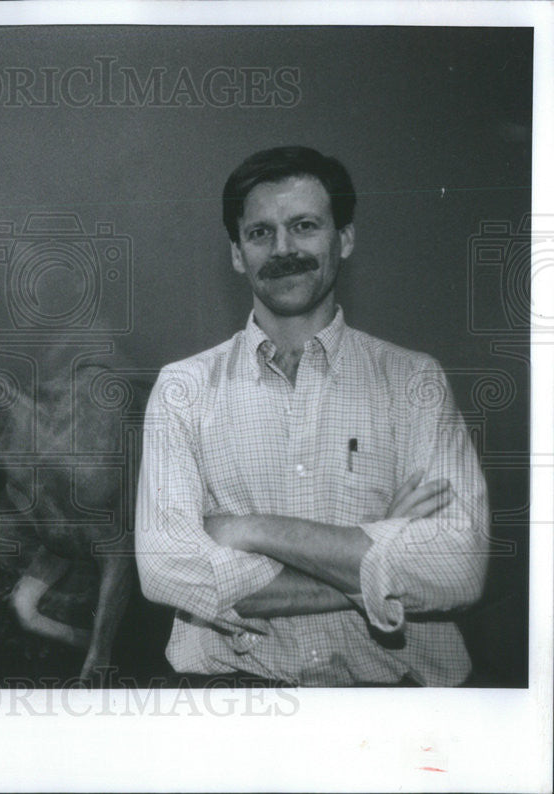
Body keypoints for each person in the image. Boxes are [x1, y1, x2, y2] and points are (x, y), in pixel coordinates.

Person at [134, 146, 489, 686]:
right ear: (237, 253)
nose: (283, 249)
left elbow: (456, 569)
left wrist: (246, 530)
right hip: (234, 709)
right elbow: (166, 570)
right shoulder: (183, 388)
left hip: (397, 717)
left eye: (303, 226)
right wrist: (372, 544)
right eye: (260, 233)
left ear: (343, 238)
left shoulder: (413, 381)